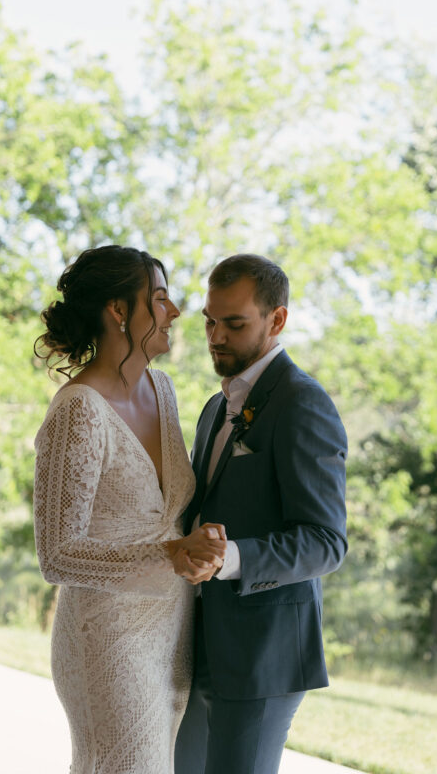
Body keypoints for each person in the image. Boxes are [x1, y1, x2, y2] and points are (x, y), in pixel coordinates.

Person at [33, 245, 226, 774]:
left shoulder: (163, 391)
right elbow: (58, 556)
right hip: (107, 636)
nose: (175, 312)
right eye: (159, 298)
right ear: (119, 311)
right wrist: (169, 552)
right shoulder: (79, 410)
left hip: (172, 629)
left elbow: (172, 512)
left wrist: (199, 544)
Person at [173, 254, 348, 774]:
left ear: (276, 320)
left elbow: (325, 542)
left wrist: (229, 558)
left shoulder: (302, 403)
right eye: (209, 320)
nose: (215, 336)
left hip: (261, 657)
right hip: (197, 640)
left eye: (234, 323)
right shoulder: (213, 407)